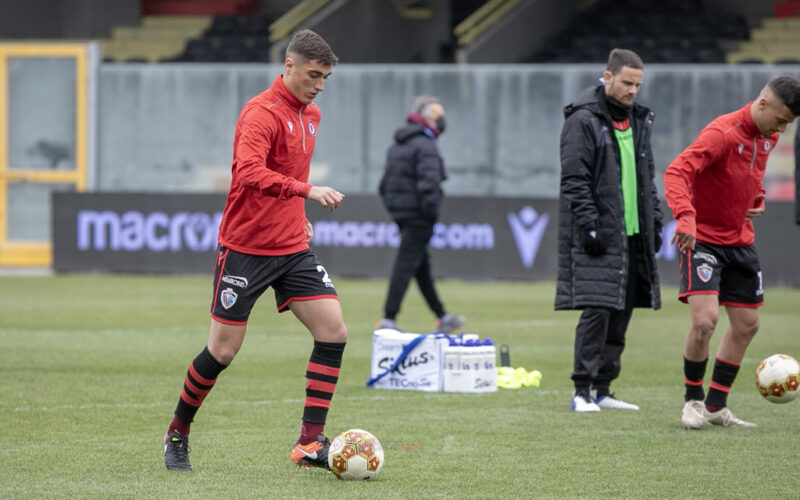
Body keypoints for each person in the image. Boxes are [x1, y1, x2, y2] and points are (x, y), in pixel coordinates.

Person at [163, 29, 347, 471]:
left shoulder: (312, 114)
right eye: (313, 74)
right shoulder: (259, 113)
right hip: (245, 248)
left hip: (291, 248)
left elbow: (286, 172)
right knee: (222, 352)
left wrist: (296, 214)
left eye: (325, 77)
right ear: (288, 66)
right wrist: (306, 191)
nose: (319, 85)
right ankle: (178, 431)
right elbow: (248, 173)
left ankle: (309, 443)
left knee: (333, 332)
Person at [666, 75, 800, 429]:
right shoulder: (721, 133)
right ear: (764, 103)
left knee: (747, 324)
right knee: (705, 321)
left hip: (740, 239)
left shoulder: (767, 136)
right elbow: (677, 172)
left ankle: (715, 407)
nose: (782, 130)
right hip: (704, 239)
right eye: (782, 120)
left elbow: (750, 174)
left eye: (789, 125)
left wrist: (756, 197)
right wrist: (685, 216)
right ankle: (692, 402)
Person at [555, 48, 663, 413]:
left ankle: (603, 389)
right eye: (627, 82)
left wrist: (655, 223)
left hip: (633, 234)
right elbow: (574, 178)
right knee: (598, 311)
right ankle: (581, 391)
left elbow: (647, 180)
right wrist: (589, 225)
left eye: (638, 84)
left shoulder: (637, 120)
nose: (633, 90)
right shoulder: (583, 120)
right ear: (607, 77)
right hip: (601, 233)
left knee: (622, 312)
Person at [376, 96, 465, 334]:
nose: (442, 121)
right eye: (439, 116)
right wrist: (430, 214)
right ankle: (388, 317)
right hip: (419, 216)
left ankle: (442, 315)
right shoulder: (426, 146)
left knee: (420, 266)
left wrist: (397, 210)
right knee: (406, 265)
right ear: (428, 118)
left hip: (402, 212)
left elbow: (384, 185)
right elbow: (429, 184)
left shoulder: (399, 144)